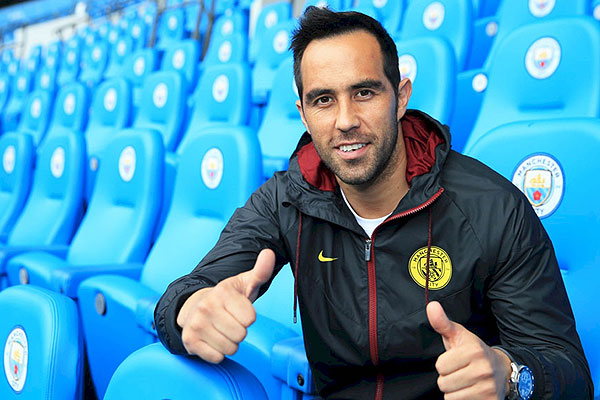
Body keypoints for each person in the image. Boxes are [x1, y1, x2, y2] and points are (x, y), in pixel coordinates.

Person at [154, 7, 592, 399]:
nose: (345, 120)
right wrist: (189, 312)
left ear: (401, 97)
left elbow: (570, 372)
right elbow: (185, 293)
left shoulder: (492, 206)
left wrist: (510, 376)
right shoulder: (285, 199)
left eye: (364, 93)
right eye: (324, 100)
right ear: (303, 114)